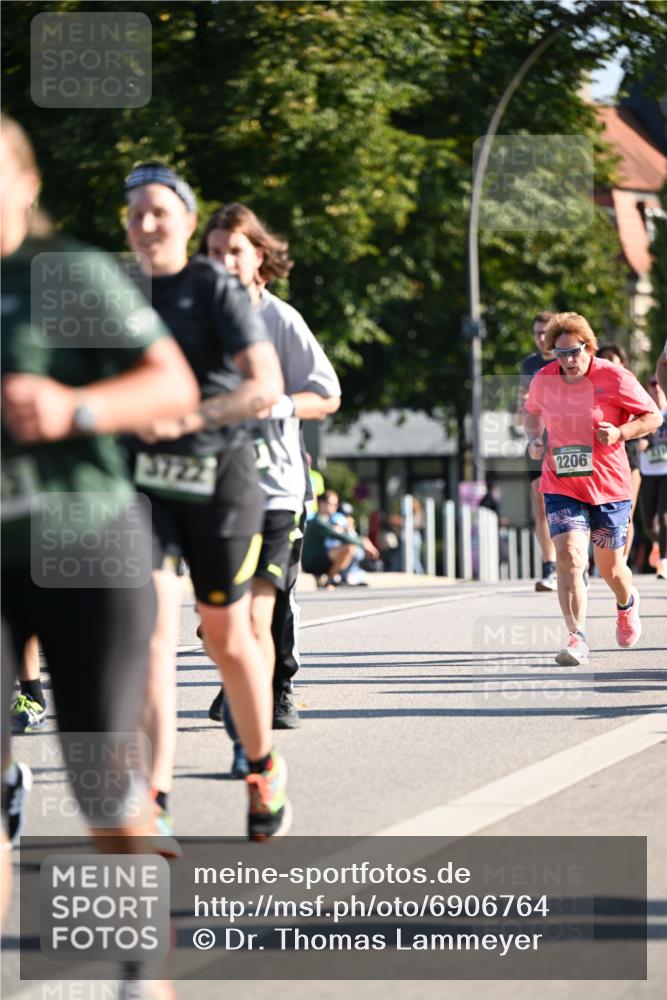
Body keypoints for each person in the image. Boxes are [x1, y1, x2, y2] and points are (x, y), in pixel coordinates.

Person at [1, 116, 199, 864]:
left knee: (102, 793)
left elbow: (170, 384)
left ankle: (143, 974)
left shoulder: (64, 272)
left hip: (84, 548)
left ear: (25, 185)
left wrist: (71, 408)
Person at [123, 165, 291, 840]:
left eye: (159, 210)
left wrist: (188, 417)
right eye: (134, 211)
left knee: (225, 637)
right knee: (153, 637)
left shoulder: (213, 287)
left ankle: (262, 765)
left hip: (220, 481)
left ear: (187, 221)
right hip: (145, 486)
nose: (145, 222)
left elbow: (263, 386)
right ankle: (154, 800)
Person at [197, 202, 341, 772]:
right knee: (218, 621)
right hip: (209, 488)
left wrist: (280, 403)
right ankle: (244, 690)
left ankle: (253, 728)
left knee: (261, 615)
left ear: (259, 256)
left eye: (234, 250)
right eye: (212, 253)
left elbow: (327, 395)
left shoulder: (280, 319)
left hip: (276, 488)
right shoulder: (192, 321)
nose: (223, 262)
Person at [524, 312, 661, 666]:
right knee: (569, 557)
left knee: (610, 568)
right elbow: (531, 412)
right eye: (560, 353)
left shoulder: (614, 376)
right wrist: (534, 441)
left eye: (575, 352)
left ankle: (626, 602)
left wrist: (620, 433)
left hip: (609, 486)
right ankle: (576, 638)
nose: (568, 361)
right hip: (562, 484)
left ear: (590, 347)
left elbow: (652, 417)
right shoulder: (543, 379)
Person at [515, 311, 558, 590]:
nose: (541, 338)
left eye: (545, 332)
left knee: (574, 500)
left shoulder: (566, 358)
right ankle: (550, 566)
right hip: (536, 443)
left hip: (566, 441)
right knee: (540, 504)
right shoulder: (528, 365)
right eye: (536, 333)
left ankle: (578, 562)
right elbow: (520, 413)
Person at [597, 343, 642, 565]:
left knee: (627, 513)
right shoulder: (594, 385)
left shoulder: (627, 383)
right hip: (600, 458)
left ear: (621, 362)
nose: (607, 363)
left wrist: (643, 439)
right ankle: (600, 561)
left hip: (629, 455)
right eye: (602, 358)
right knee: (599, 512)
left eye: (611, 359)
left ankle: (621, 561)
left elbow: (648, 417)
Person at [302, 490, 371, 585]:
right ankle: (331, 578)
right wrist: (363, 542)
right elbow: (342, 537)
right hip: (311, 562)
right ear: (321, 503)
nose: (334, 507)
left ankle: (341, 576)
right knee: (349, 548)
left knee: (351, 548)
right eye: (331, 504)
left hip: (323, 557)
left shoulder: (329, 520)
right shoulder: (317, 522)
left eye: (336, 504)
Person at [637, 376, 667, 580]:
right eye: (652, 387)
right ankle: (659, 543)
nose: (655, 390)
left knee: (664, 517)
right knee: (649, 522)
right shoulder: (643, 415)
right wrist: (640, 443)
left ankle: (664, 562)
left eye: (659, 386)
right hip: (648, 472)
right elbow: (632, 436)